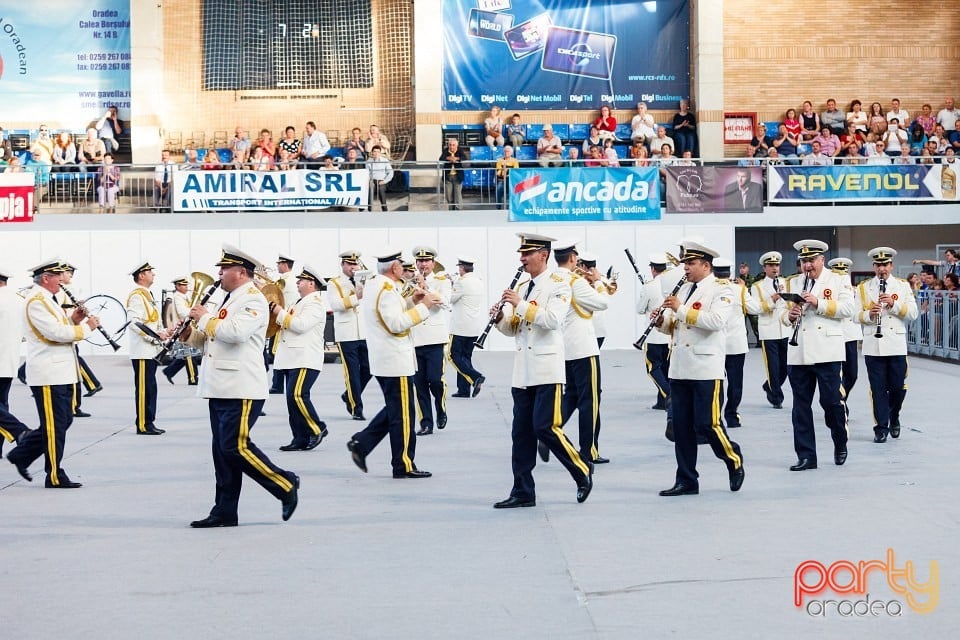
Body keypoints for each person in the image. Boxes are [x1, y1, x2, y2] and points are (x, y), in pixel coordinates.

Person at [180, 245, 299, 527]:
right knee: (222, 453)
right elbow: (212, 340)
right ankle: (224, 511)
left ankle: (284, 483)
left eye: (224, 269)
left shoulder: (253, 300)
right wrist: (189, 334)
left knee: (235, 446)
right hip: (220, 385)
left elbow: (235, 334)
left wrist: (204, 317)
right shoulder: (230, 299)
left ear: (241, 272)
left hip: (242, 386)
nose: (219, 274)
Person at [491, 233, 593, 509]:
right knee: (521, 434)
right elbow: (515, 328)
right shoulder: (524, 286)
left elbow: (551, 320)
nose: (522, 259)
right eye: (521, 254)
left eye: (527, 254)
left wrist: (520, 304)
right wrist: (500, 317)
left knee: (545, 426)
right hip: (523, 371)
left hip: (547, 369)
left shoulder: (559, 284)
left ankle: (581, 469)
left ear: (543, 255)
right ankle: (523, 490)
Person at [653, 240, 744, 497]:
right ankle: (686, 479)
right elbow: (675, 326)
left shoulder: (722, 290)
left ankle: (732, 458)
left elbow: (715, 322)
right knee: (681, 428)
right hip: (680, 368)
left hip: (706, 368)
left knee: (708, 424)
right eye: (685, 264)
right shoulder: (683, 290)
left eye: (691, 264)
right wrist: (661, 321)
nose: (686, 268)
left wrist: (679, 310)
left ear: (706, 265)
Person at [346, 249, 443, 479]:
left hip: (385, 358)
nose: (404, 268)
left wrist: (411, 301)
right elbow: (395, 324)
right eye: (401, 264)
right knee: (403, 415)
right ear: (395, 268)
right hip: (394, 359)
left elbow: (389, 313)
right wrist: (424, 307)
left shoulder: (375, 285)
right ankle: (403, 464)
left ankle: (362, 443)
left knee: (398, 408)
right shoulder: (387, 290)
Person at [7, 258, 100, 488]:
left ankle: (22, 454)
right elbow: (55, 333)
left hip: (61, 372)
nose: (62, 279)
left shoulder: (49, 298)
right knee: (55, 425)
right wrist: (86, 328)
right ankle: (55, 474)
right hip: (48, 373)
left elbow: (60, 325)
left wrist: (73, 319)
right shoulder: (36, 300)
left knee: (62, 421)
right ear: (46, 278)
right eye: (58, 276)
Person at [782, 240, 854, 471]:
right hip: (799, 351)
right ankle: (806, 456)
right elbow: (782, 317)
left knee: (831, 403)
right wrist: (790, 316)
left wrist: (819, 303)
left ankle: (840, 440)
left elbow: (848, 310)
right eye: (804, 261)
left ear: (822, 260)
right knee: (800, 408)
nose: (807, 265)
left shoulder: (838, 279)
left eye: (812, 260)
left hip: (827, 352)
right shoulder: (793, 281)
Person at [551, 241, 608, 464]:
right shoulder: (576, 282)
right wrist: (598, 281)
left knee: (572, 396)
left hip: (564, 348)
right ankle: (589, 450)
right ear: (573, 258)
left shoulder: (552, 279)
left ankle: (550, 433)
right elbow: (602, 303)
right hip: (584, 348)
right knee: (590, 401)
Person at [855, 247, 919, 443]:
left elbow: (913, 314)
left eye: (885, 265)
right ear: (873, 266)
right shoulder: (864, 288)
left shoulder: (902, 286)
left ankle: (895, 416)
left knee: (898, 387)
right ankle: (881, 427)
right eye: (878, 265)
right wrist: (870, 314)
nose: (881, 269)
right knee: (878, 389)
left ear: (891, 266)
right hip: (873, 345)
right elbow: (856, 316)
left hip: (896, 345)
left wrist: (893, 304)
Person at [271, 264, 329, 452]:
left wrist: (280, 312)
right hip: (292, 357)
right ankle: (300, 438)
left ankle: (316, 428)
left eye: (301, 280)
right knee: (291, 399)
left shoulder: (315, 303)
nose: (297, 282)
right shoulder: (299, 302)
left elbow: (301, 325)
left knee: (297, 395)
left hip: (305, 357)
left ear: (311, 283)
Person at [410, 246, 452, 435]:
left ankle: (441, 408)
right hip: (415, 339)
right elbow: (406, 306)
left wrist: (426, 288)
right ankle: (426, 422)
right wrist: (414, 288)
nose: (423, 264)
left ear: (433, 263)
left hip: (435, 339)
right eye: (419, 261)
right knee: (420, 385)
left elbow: (444, 302)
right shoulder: (408, 282)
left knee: (435, 380)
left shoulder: (442, 281)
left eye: (426, 261)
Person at [327, 251, 372, 420]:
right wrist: (356, 297)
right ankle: (356, 407)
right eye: (350, 264)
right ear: (343, 265)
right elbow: (335, 304)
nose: (353, 268)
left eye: (355, 264)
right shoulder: (335, 283)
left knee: (369, 368)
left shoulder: (364, 281)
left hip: (364, 331)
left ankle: (349, 395)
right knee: (352, 371)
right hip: (346, 333)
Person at [126, 261, 169, 435]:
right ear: (141, 275)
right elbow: (134, 323)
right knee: (145, 389)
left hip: (150, 351)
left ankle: (149, 421)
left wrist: (164, 332)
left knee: (151, 388)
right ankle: (143, 424)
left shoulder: (147, 295)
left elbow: (151, 321)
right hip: (142, 351)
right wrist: (155, 336)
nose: (153, 274)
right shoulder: (137, 296)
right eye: (150, 272)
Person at [58, 264, 102, 413]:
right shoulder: (60, 290)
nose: (70, 274)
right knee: (72, 372)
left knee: (74, 372)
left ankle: (76, 405)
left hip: (72, 332)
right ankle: (75, 405)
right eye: (67, 272)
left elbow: (73, 311)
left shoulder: (70, 289)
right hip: (68, 332)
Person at [749, 252, 789, 409]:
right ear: (765, 268)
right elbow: (757, 308)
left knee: (785, 367)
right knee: (773, 366)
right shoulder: (757, 286)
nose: (775, 268)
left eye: (777, 265)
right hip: (769, 330)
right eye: (771, 265)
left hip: (785, 329)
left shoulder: (786, 282)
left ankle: (769, 386)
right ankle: (776, 397)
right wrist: (772, 299)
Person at [714, 259, 751, 429]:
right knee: (735, 383)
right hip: (736, 345)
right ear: (730, 273)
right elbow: (756, 308)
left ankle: (716, 417)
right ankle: (732, 416)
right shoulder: (740, 290)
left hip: (715, 345)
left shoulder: (710, 289)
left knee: (717, 384)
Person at [0, 266, 30, 457]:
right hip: (9, 361)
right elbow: (25, 335)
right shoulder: (20, 300)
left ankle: (20, 431)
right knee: (2, 404)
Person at [637, 254, 672, 411]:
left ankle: (669, 395)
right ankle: (661, 402)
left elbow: (639, 309)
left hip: (653, 336)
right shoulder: (672, 285)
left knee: (653, 369)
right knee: (665, 368)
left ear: (652, 269)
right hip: (669, 335)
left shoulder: (648, 286)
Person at [827, 258, 863, 411]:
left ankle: (841, 398)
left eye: (844, 271)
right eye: (838, 271)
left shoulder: (856, 290)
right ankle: (839, 404)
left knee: (852, 374)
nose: (842, 275)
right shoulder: (828, 290)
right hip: (834, 334)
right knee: (836, 374)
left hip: (851, 335)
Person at [448, 256, 486, 399]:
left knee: (452, 355)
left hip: (459, 327)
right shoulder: (478, 281)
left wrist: (450, 283)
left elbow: (450, 298)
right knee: (465, 358)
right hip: (473, 327)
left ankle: (476, 376)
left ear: (461, 268)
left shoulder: (461, 282)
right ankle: (464, 390)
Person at [267, 255, 299, 394]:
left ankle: (278, 384)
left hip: (281, 319)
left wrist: (262, 282)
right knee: (278, 352)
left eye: (279, 263)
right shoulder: (291, 279)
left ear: (285, 264)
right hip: (284, 318)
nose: (277, 265)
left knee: (275, 351)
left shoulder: (285, 281)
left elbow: (272, 294)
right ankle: (278, 383)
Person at [161, 277, 199, 386]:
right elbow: (183, 312)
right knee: (189, 354)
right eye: (183, 285)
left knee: (186, 354)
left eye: (186, 285)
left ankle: (169, 371)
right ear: (177, 286)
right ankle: (193, 379)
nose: (186, 287)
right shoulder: (178, 298)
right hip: (183, 329)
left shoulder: (183, 297)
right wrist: (195, 311)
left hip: (187, 329)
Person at [440, 138, 467, 210]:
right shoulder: (445, 150)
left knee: (457, 195)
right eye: (450, 145)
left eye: (453, 145)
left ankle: (458, 210)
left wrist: (456, 158)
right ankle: (451, 210)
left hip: (458, 176)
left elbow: (464, 158)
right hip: (448, 177)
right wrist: (448, 158)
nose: (451, 147)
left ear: (456, 145)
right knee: (448, 195)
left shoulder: (460, 150)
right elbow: (441, 159)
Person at [365, 144, 393, 211]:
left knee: (381, 190)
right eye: (374, 151)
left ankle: (384, 209)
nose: (376, 153)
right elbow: (367, 173)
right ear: (372, 152)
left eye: (378, 152)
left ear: (380, 153)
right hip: (372, 180)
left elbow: (391, 172)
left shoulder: (385, 160)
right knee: (370, 190)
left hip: (382, 180)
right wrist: (369, 180)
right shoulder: (369, 161)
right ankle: (370, 209)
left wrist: (385, 181)